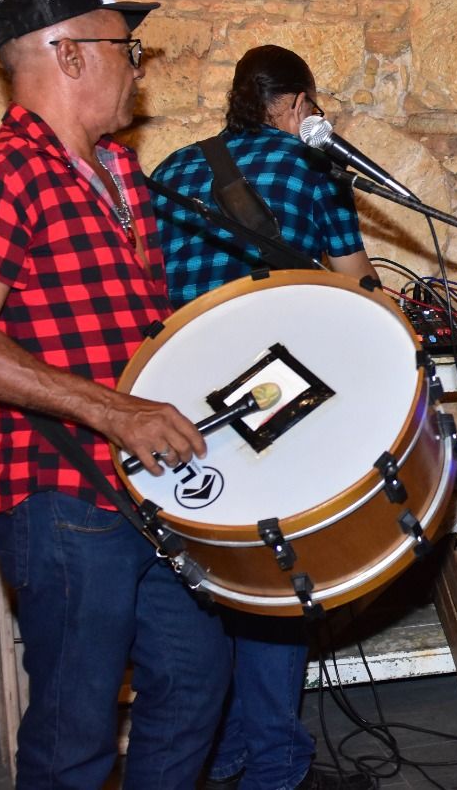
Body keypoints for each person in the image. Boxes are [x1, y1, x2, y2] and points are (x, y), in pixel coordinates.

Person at [0, 0, 230, 788]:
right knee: (75, 731)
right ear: (70, 55)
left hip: (146, 493)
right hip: (60, 500)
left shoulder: (121, 174)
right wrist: (115, 413)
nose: (138, 69)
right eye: (128, 50)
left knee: (197, 677)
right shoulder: (4, 170)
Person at [151, 45, 377, 790]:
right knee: (280, 571)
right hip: (274, 389)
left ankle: (223, 754)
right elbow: (355, 288)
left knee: (215, 569)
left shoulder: (173, 168)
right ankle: (275, 764)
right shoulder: (313, 164)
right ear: (298, 104)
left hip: (181, 397)